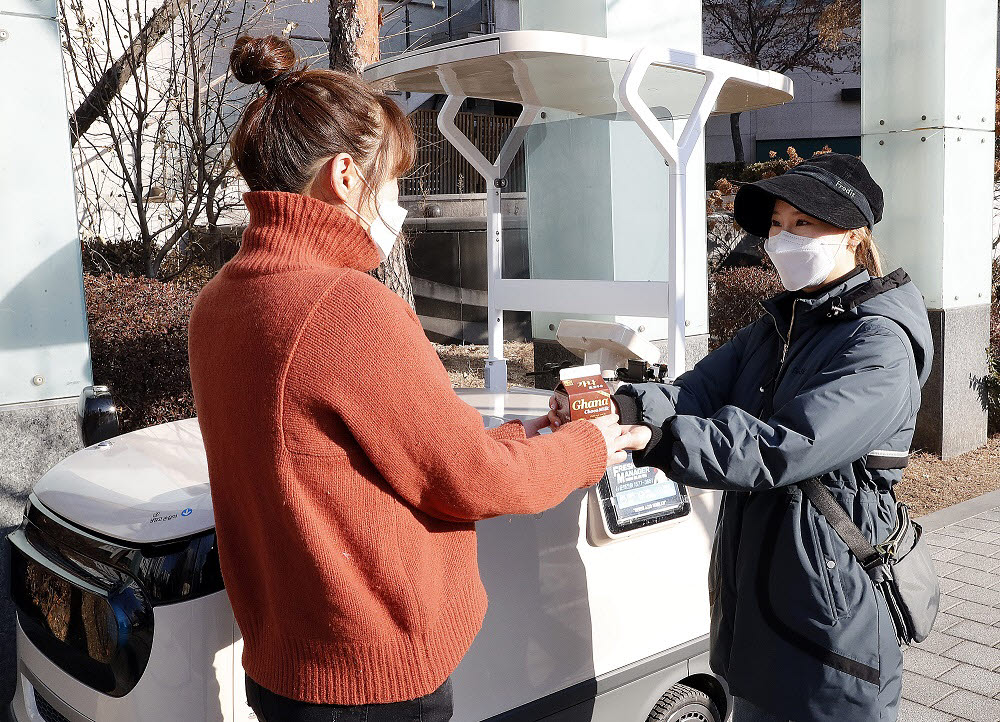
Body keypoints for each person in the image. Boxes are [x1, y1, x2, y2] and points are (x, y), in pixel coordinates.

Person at [188, 35, 647, 722]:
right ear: (346, 177)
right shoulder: (343, 304)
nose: (400, 209)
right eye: (397, 181)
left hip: (289, 660)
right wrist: (586, 449)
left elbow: (370, 458)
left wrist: (525, 435)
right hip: (371, 674)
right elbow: (469, 479)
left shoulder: (221, 297)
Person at [552, 153, 932, 722]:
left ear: (853, 236)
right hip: (754, 602)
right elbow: (697, 391)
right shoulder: (777, 326)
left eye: (804, 224)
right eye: (777, 224)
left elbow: (783, 444)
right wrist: (619, 403)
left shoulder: (878, 345)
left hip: (831, 613)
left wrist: (655, 441)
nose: (783, 239)